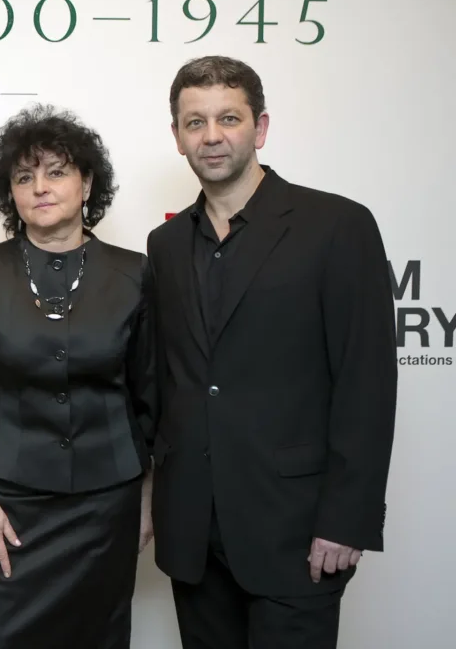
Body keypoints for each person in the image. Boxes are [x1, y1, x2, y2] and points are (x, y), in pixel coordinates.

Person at [148, 55, 397, 649]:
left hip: (298, 532)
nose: (212, 136)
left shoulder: (337, 225)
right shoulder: (165, 244)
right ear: (178, 136)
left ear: (259, 128)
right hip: (195, 534)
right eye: (195, 122)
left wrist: (346, 520)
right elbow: (169, 383)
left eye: (228, 118)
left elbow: (366, 385)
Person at [0, 106, 158, 649]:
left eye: (56, 171)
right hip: (11, 507)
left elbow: (151, 396)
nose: (39, 187)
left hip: (108, 502)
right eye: (23, 176)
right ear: (9, 193)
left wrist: (150, 499)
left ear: (86, 183)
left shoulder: (134, 272)